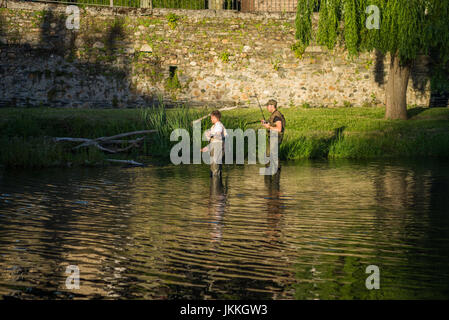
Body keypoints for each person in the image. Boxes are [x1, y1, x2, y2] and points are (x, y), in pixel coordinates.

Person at [261, 99, 286, 175]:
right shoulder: (274, 114)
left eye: (267, 106)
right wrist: (266, 123)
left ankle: (274, 175)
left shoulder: (277, 116)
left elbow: (279, 129)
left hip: (276, 138)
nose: (267, 107)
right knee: (269, 155)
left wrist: (268, 127)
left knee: (271, 155)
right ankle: (271, 175)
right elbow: (273, 124)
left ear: (272, 106)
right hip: (272, 138)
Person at [201, 110, 227, 177]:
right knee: (216, 167)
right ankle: (217, 185)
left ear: (215, 118)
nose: (211, 119)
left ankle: (215, 185)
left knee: (215, 169)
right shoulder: (214, 126)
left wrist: (210, 136)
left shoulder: (218, 125)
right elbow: (214, 140)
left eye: (212, 118)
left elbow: (217, 135)